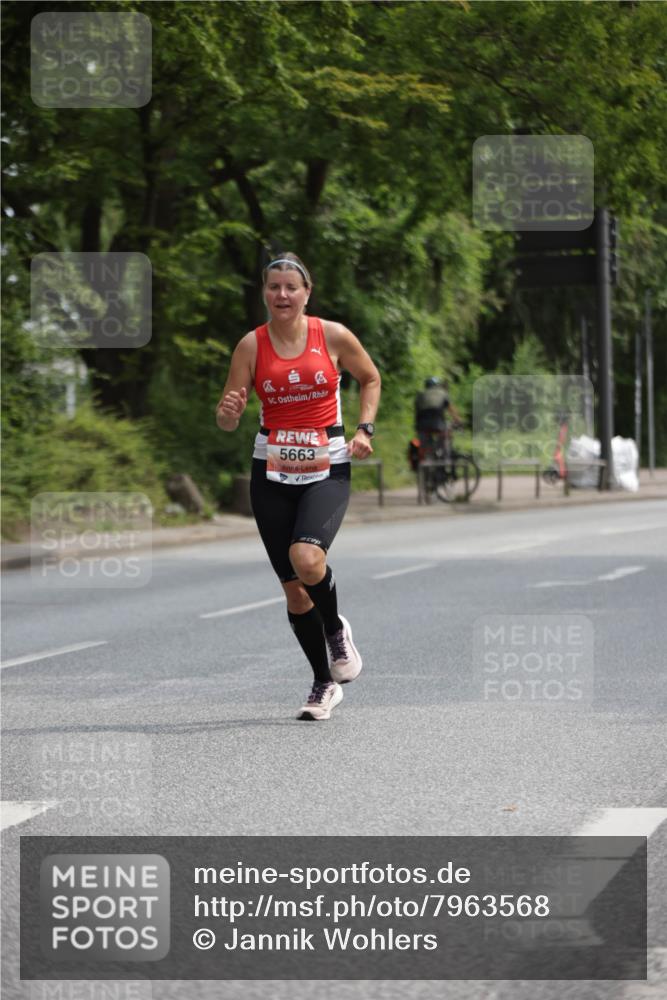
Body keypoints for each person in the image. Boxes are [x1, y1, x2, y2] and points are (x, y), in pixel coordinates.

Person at [216, 253, 381, 721]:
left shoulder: (331, 335)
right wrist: (227, 414)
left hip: (327, 467)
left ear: (307, 292)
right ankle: (323, 682)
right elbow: (227, 415)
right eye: (273, 287)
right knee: (293, 591)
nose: (282, 295)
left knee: (307, 558)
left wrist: (365, 429)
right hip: (270, 472)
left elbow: (370, 378)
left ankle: (334, 629)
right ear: (264, 293)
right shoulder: (251, 346)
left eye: (291, 287)